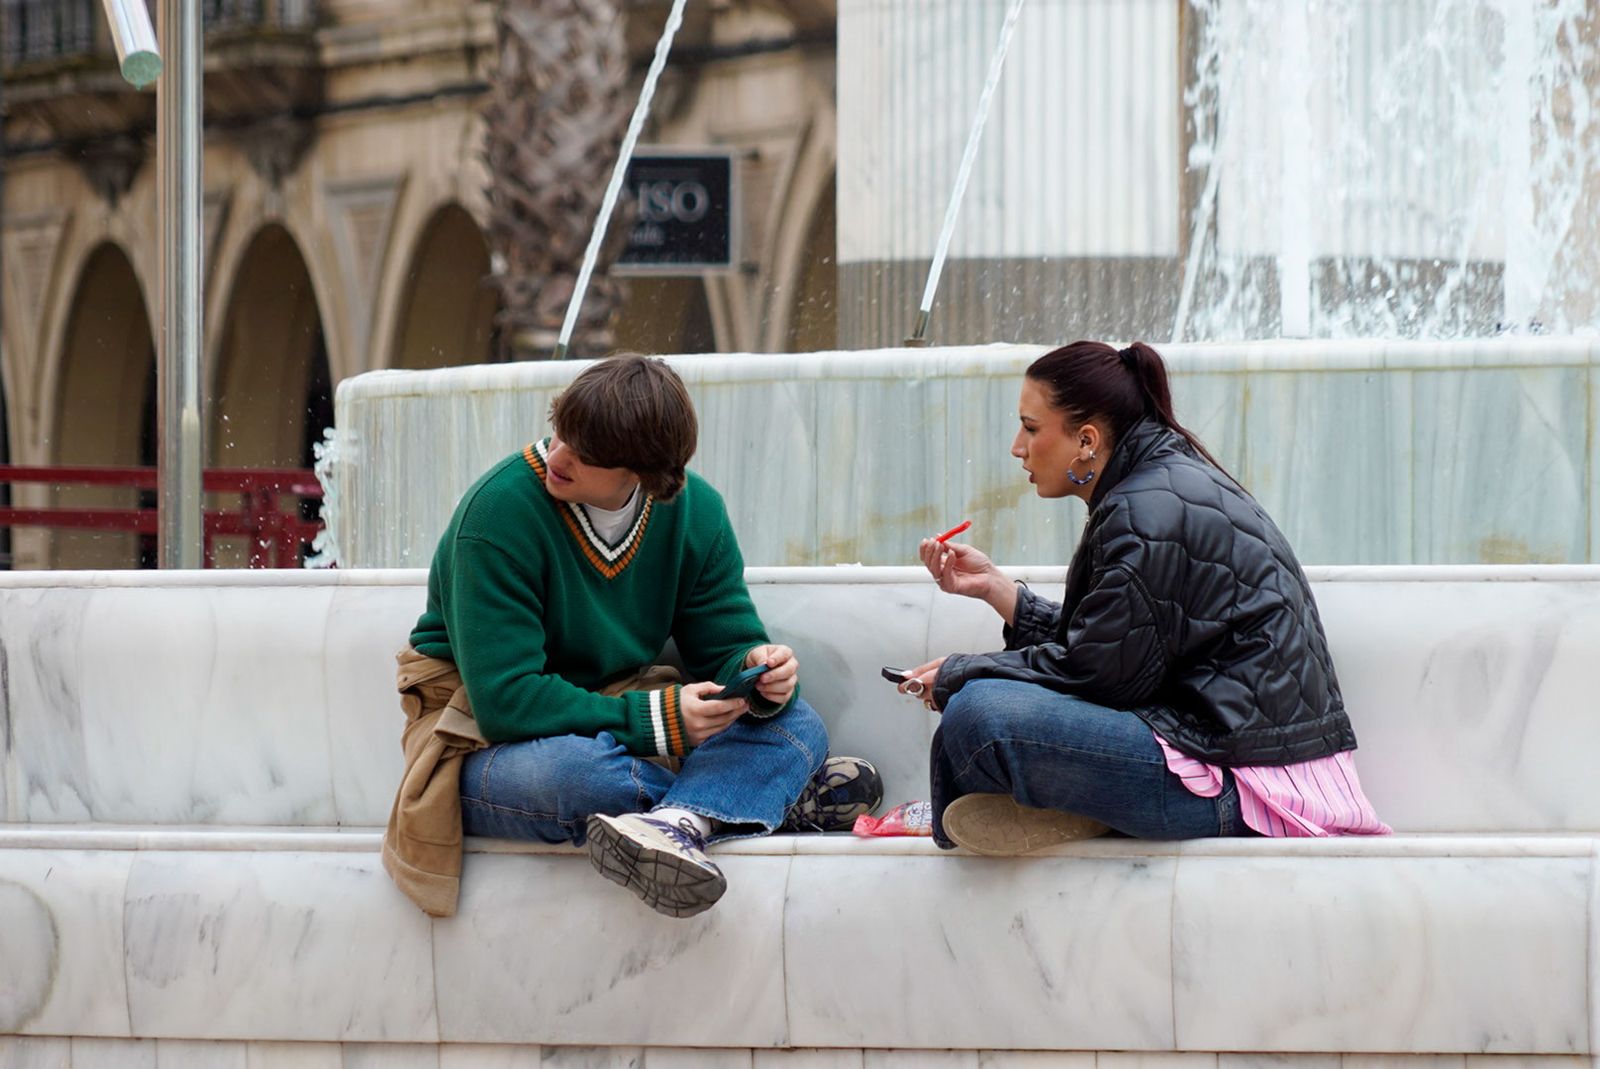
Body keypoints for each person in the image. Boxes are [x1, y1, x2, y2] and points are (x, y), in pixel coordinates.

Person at [383, 354, 880, 919]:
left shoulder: (697, 514)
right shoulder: (497, 513)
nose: (559, 457)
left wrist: (758, 669)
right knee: (585, 778)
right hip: (478, 741)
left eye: (585, 453)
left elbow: (724, 646)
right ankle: (746, 802)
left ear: (642, 473)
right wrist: (656, 720)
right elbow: (504, 702)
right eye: (560, 432)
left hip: (617, 724)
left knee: (796, 722)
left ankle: (677, 824)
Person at [898, 340, 1389, 854]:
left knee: (980, 716)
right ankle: (1076, 810)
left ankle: (1076, 808)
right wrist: (1001, 593)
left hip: (1241, 787)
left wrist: (961, 672)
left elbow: (1100, 677)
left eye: (1032, 427)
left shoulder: (1144, 507)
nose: (1017, 446)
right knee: (980, 704)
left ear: (1086, 439)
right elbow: (1114, 646)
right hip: (1218, 749)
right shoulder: (1157, 484)